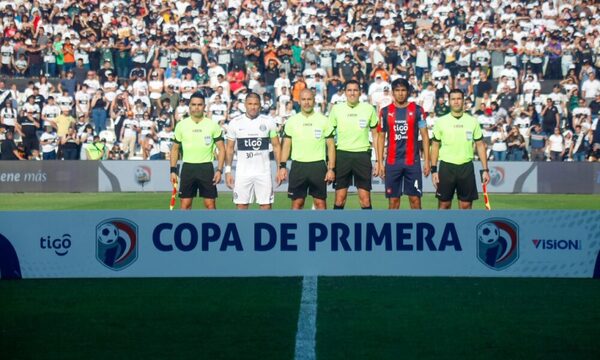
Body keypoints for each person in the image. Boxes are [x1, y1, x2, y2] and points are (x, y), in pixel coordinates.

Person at [375, 78, 430, 209]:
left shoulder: (418, 110)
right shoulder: (385, 112)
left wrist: (427, 161)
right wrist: (380, 162)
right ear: (392, 93)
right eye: (397, 90)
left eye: (403, 90)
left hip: (413, 162)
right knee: (393, 202)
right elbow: (381, 137)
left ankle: (418, 228)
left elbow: (425, 136)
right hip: (393, 163)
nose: (400, 93)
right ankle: (393, 229)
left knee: (415, 200)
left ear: (408, 92)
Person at [431, 89, 490, 209]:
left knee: (466, 205)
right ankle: (443, 228)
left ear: (463, 101)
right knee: (444, 205)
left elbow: (480, 145)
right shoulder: (440, 122)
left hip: (466, 167)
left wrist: (485, 170)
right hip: (446, 167)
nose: (456, 102)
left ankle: (463, 228)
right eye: (453, 99)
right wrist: (434, 170)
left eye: (459, 99)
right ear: (449, 101)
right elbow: (435, 146)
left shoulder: (472, 121)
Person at [278, 89, 336, 209]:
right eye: (303, 99)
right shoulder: (292, 121)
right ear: (299, 101)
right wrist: (282, 166)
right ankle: (297, 227)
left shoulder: (324, 120)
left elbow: (331, 146)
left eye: (309, 99)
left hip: (318, 166)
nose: (306, 102)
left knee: (320, 204)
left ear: (314, 101)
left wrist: (331, 169)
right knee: (297, 204)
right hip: (298, 166)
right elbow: (286, 146)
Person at [225, 92, 282, 210]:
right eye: (250, 104)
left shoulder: (268, 121)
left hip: (263, 172)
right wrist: (228, 171)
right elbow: (229, 149)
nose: (253, 106)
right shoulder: (235, 123)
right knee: (241, 206)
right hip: (243, 173)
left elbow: (276, 146)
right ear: (245, 105)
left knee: (266, 206)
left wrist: (279, 168)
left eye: (256, 104)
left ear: (260, 105)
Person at [329, 80, 380, 210]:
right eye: (349, 90)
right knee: (340, 199)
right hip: (342, 155)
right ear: (345, 93)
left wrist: (379, 161)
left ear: (360, 92)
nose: (352, 93)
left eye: (355, 90)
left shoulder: (368, 109)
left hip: (362, 156)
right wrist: (330, 165)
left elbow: (375, 136)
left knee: (365, 200)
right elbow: (329, 138)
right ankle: (335, 228)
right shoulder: (336, 109)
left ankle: (368, 229)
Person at [170, 92, 225, 210]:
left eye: (199, 105)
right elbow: (174, 149)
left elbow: (222, 149)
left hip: (206, 168)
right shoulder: (181, 125)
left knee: (210, 204)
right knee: (185, 205)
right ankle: (185, 227)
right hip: (188, 167)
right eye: (194, 104)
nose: (196, 107)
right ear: (189, 106)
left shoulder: (212, 125)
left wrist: (220, 170)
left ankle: (213, 228)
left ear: (204, 106)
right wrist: (173, 170)